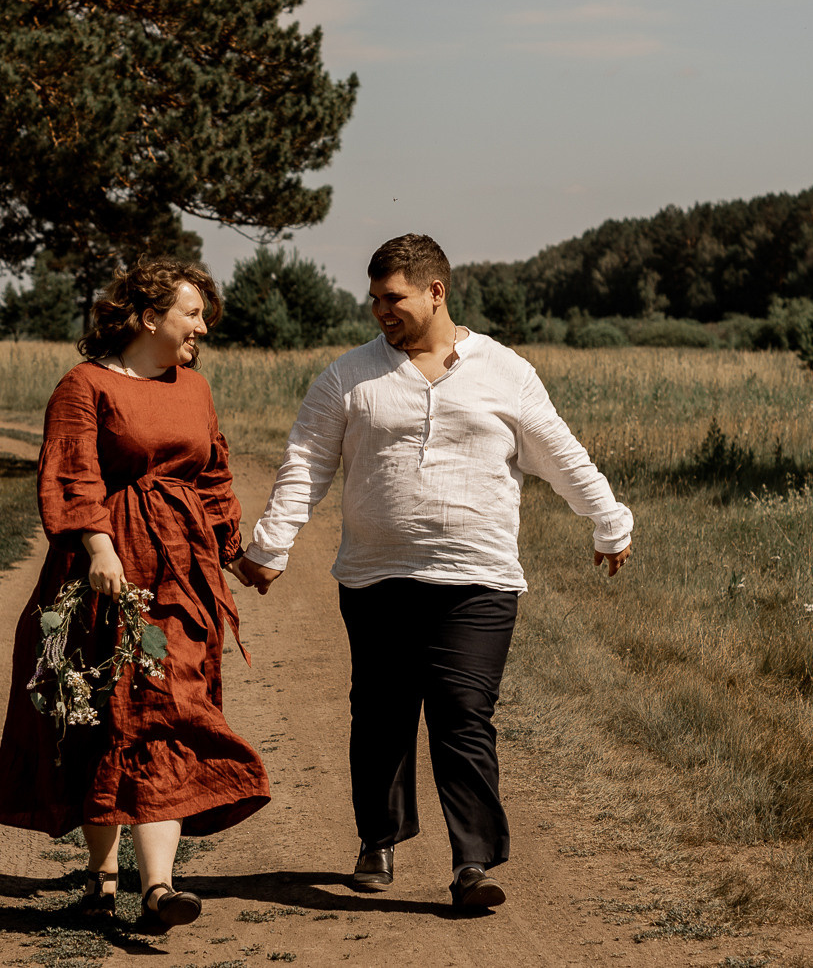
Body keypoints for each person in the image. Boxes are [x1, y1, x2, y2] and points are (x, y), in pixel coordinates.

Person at [235, 233, 633, 910]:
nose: (379, 311)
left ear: (435, 291)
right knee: (381, 713)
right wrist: (271, 545)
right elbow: (305, 462)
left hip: (478, 578)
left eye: (392, 298)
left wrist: (608, 519)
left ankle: (473, 862)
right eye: (374, 299)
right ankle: (378, 838)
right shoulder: (348, 376)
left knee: (463, 713)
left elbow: (560, 452)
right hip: (376, 577)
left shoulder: (505, 371)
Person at [0, 258, 269, 933]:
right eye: (192, 314)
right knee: (103, 714)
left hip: (182, 571)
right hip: (105, 572)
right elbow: (72, 472)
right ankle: (101, 874)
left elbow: (213, 475)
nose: (203, 327)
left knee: (169, 706)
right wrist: (98, 546)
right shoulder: (84, 385)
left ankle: (159, 886)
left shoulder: (195, 388)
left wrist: (234, 552)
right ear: (149, 318)